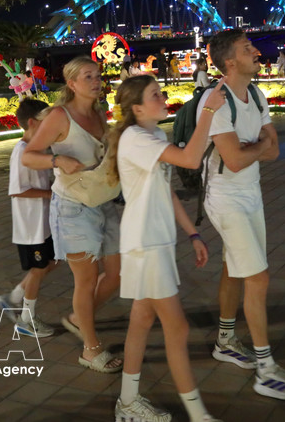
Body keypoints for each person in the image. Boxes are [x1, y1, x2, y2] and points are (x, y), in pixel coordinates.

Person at [197, 29, 285, 400]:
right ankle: (265, 369)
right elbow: (232, 159)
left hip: (250, 192)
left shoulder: (256, 94)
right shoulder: (215, 101)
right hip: (225, 197)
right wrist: (257, 147)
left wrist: (254, 147)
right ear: (230, 62)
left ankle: (226, 340)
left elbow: (274, 151)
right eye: (249, 49)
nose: (258, 52)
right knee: (257, 278)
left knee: (235, 267)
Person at [108, 75, 227, 422]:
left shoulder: (154, 135)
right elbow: (191, 159)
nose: (163, 98)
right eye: (155, 95)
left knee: (142, 321)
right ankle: (198, 415)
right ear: (137, 108)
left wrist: (192, 233)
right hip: (146, 243)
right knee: (178, 328)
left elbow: (166, 190)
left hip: (153, 240)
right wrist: (207, 111)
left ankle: (128, 403)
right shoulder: (135, 137)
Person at [22, 56, 123, 373]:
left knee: (118, 272)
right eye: (88, 76)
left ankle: (80, 318)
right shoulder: (59, 116)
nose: (96, 80)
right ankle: (90, 350)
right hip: (73, 206)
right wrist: (57, 162)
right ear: (72, 83)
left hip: (103, 199)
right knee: (87, 279)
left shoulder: (99, 111)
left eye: (98, 75)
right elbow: (28, 155)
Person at [0, 99, 57, 337]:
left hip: (42, 223)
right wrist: (50, 194)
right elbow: (17, 190)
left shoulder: (36, 149)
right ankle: (26, 319)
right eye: (46, 124)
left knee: (52, 262)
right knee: (39, 268)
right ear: (32, 123)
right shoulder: (22, 152)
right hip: (31, 226)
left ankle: (13, 298)